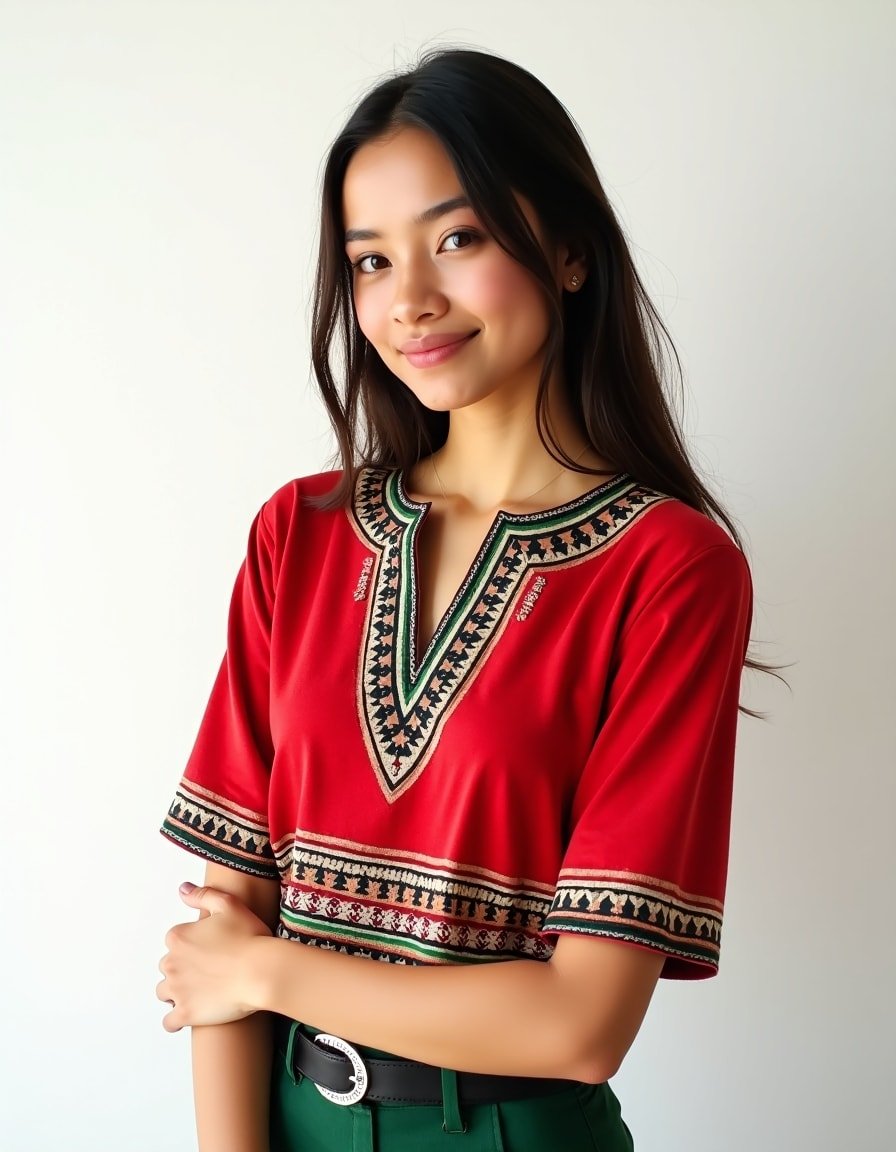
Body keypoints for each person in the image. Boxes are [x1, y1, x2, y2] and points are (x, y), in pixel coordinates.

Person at [157, 46, 771, 1152]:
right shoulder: (296, 537)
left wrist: (267, 969)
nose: (411, 301)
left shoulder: (668, 571)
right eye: (369, 262)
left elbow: (579, 1023)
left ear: (569, 250)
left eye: (457, 238)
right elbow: (223, 925)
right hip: (282, 1125)